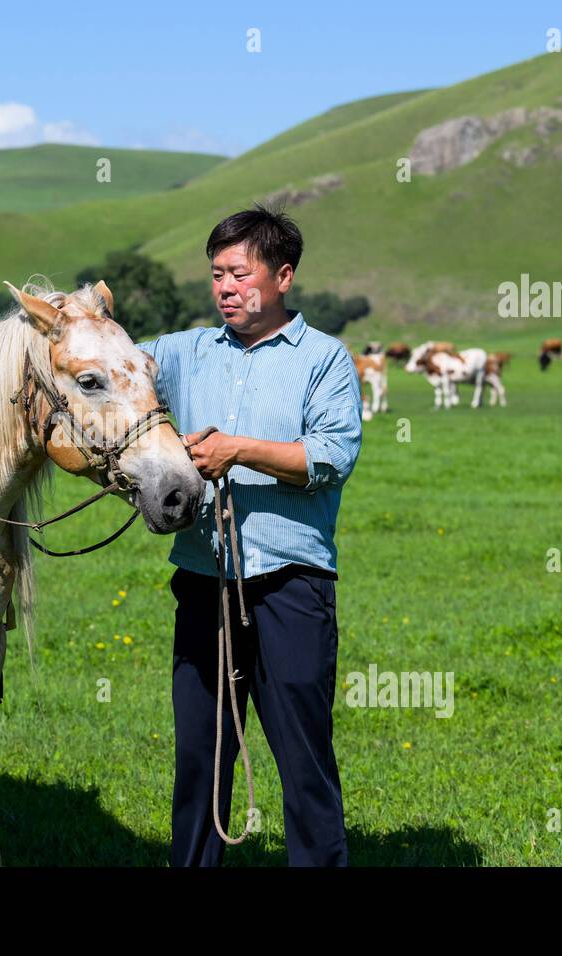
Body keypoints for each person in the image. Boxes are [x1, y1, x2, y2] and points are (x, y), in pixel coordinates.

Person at [136, 204, 363, 866]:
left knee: (303, 758)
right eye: (216, 275)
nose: (225, 288)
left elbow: (329, 458)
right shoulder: (184, 352)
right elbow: (113, 369)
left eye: (239, 273)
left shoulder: (324, 359)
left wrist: (236, 450)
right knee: (200, 756)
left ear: (283, 275)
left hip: (291, 586)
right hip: (204, 583)